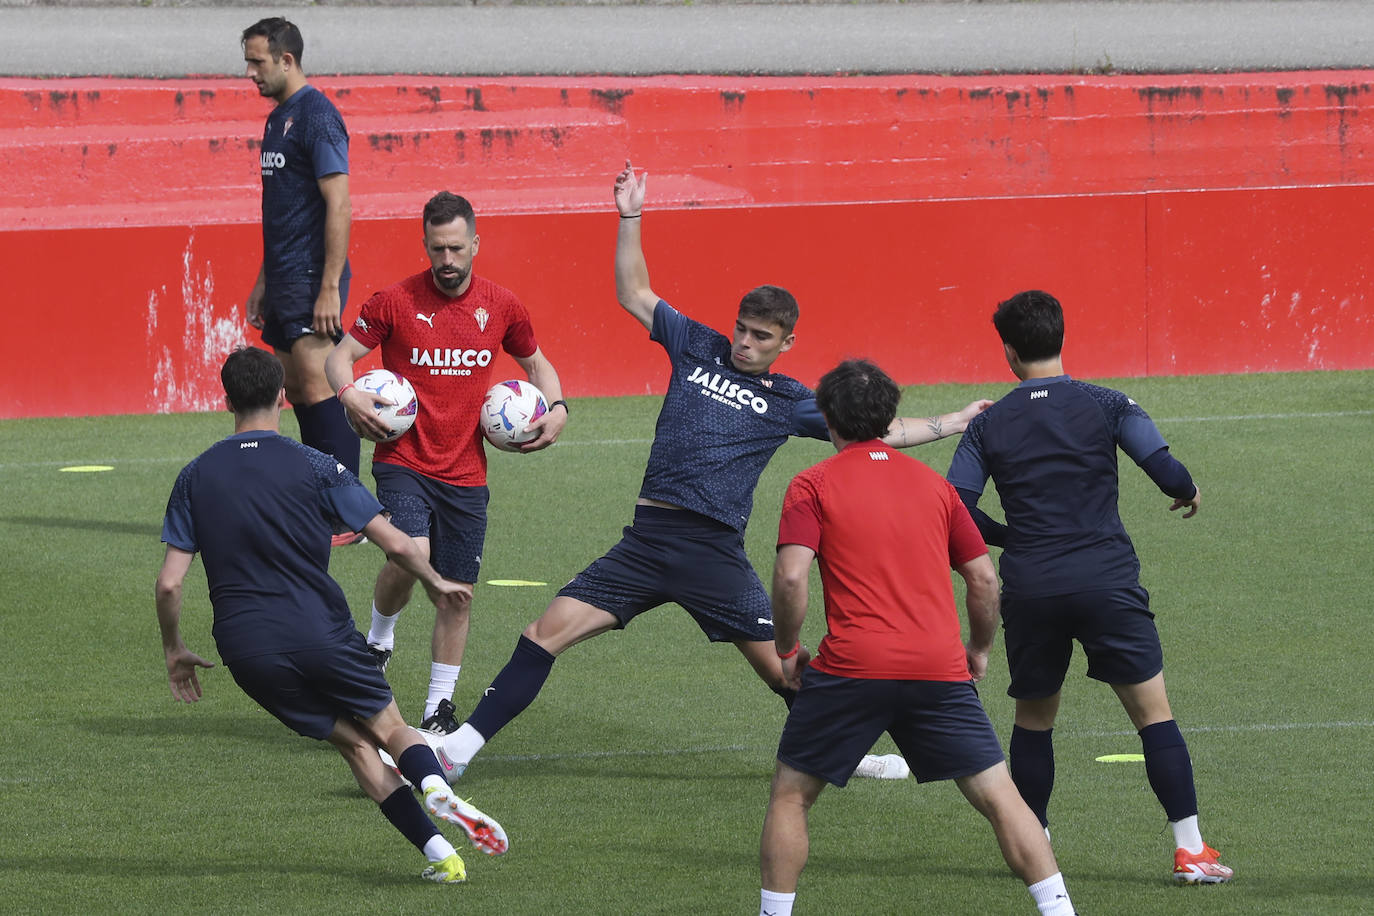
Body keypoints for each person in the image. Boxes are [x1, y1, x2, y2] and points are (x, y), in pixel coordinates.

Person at [430, 162, 989, 784]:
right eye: (743, 330)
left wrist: (956, 421)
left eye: (761, 337)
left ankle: (855, 752)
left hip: (713, 553)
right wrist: (630, 217)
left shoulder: (791, 398)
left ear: (786, 344)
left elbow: (879, 431)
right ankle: (458, 751)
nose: (745, 344)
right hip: (645, 543)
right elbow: (633, 294)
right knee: (544, 632)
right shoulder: (697, 344)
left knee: (784, 670)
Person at [154, 346, 508, 885]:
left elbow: (170, 583)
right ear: (283, 396)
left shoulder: (194, 476)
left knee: (351, 744)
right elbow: (395, 543)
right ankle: (437, 788)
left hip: (248, 651)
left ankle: (442, 855)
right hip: (320, 631)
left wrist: (174, 649)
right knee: (388, 727)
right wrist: (437, 583)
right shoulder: (316, 465)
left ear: (226, 400)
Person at [759, 358, 1076, 916]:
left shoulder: (811, 483)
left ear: (828, 419)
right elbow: (983, 578)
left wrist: (787, 650)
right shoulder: (935, 487)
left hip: (851, 667)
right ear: (889, 419)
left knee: (791, 796)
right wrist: (977, 649)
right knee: (1003, 798)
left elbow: (790, 576)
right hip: (938, 668)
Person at [946, 289, 1233, 885]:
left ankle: (1036, 845)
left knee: (1033, 721)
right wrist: (1186, 490)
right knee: (1154, 718)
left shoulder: (988, 423)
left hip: (1032, 586)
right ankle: (1192, 851)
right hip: (1105, 579)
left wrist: (1010, 537)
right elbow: (1165, 469)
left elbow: (957, 508)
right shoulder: (1107, 403)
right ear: (1061, 337)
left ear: (1008, 351)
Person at [324, 191, 568, 733]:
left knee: (457, 595)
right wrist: (348, 394)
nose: (448, 260)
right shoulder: (393, 301)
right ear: (426, 246)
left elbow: (537, 363)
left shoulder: (502, 305)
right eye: (438, 249)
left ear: (475, 244)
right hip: (402, 460)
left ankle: (438, 708)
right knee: (413, 550)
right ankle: (379, 639)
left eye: (457, 248)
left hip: (466, 473)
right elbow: (339, 357)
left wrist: (558, 408)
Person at [241, 18, 360, 508]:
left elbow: (340, 203)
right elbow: (282, 209)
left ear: (286, 60)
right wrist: (263, 280)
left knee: (316, 386)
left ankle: (348, 508)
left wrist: (329, 285)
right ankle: (322, 499)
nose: (250, 73)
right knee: (295, 386)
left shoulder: (317, 115)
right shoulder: (277, 118)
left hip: (313, 277)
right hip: (286, 276)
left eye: (257, 62)